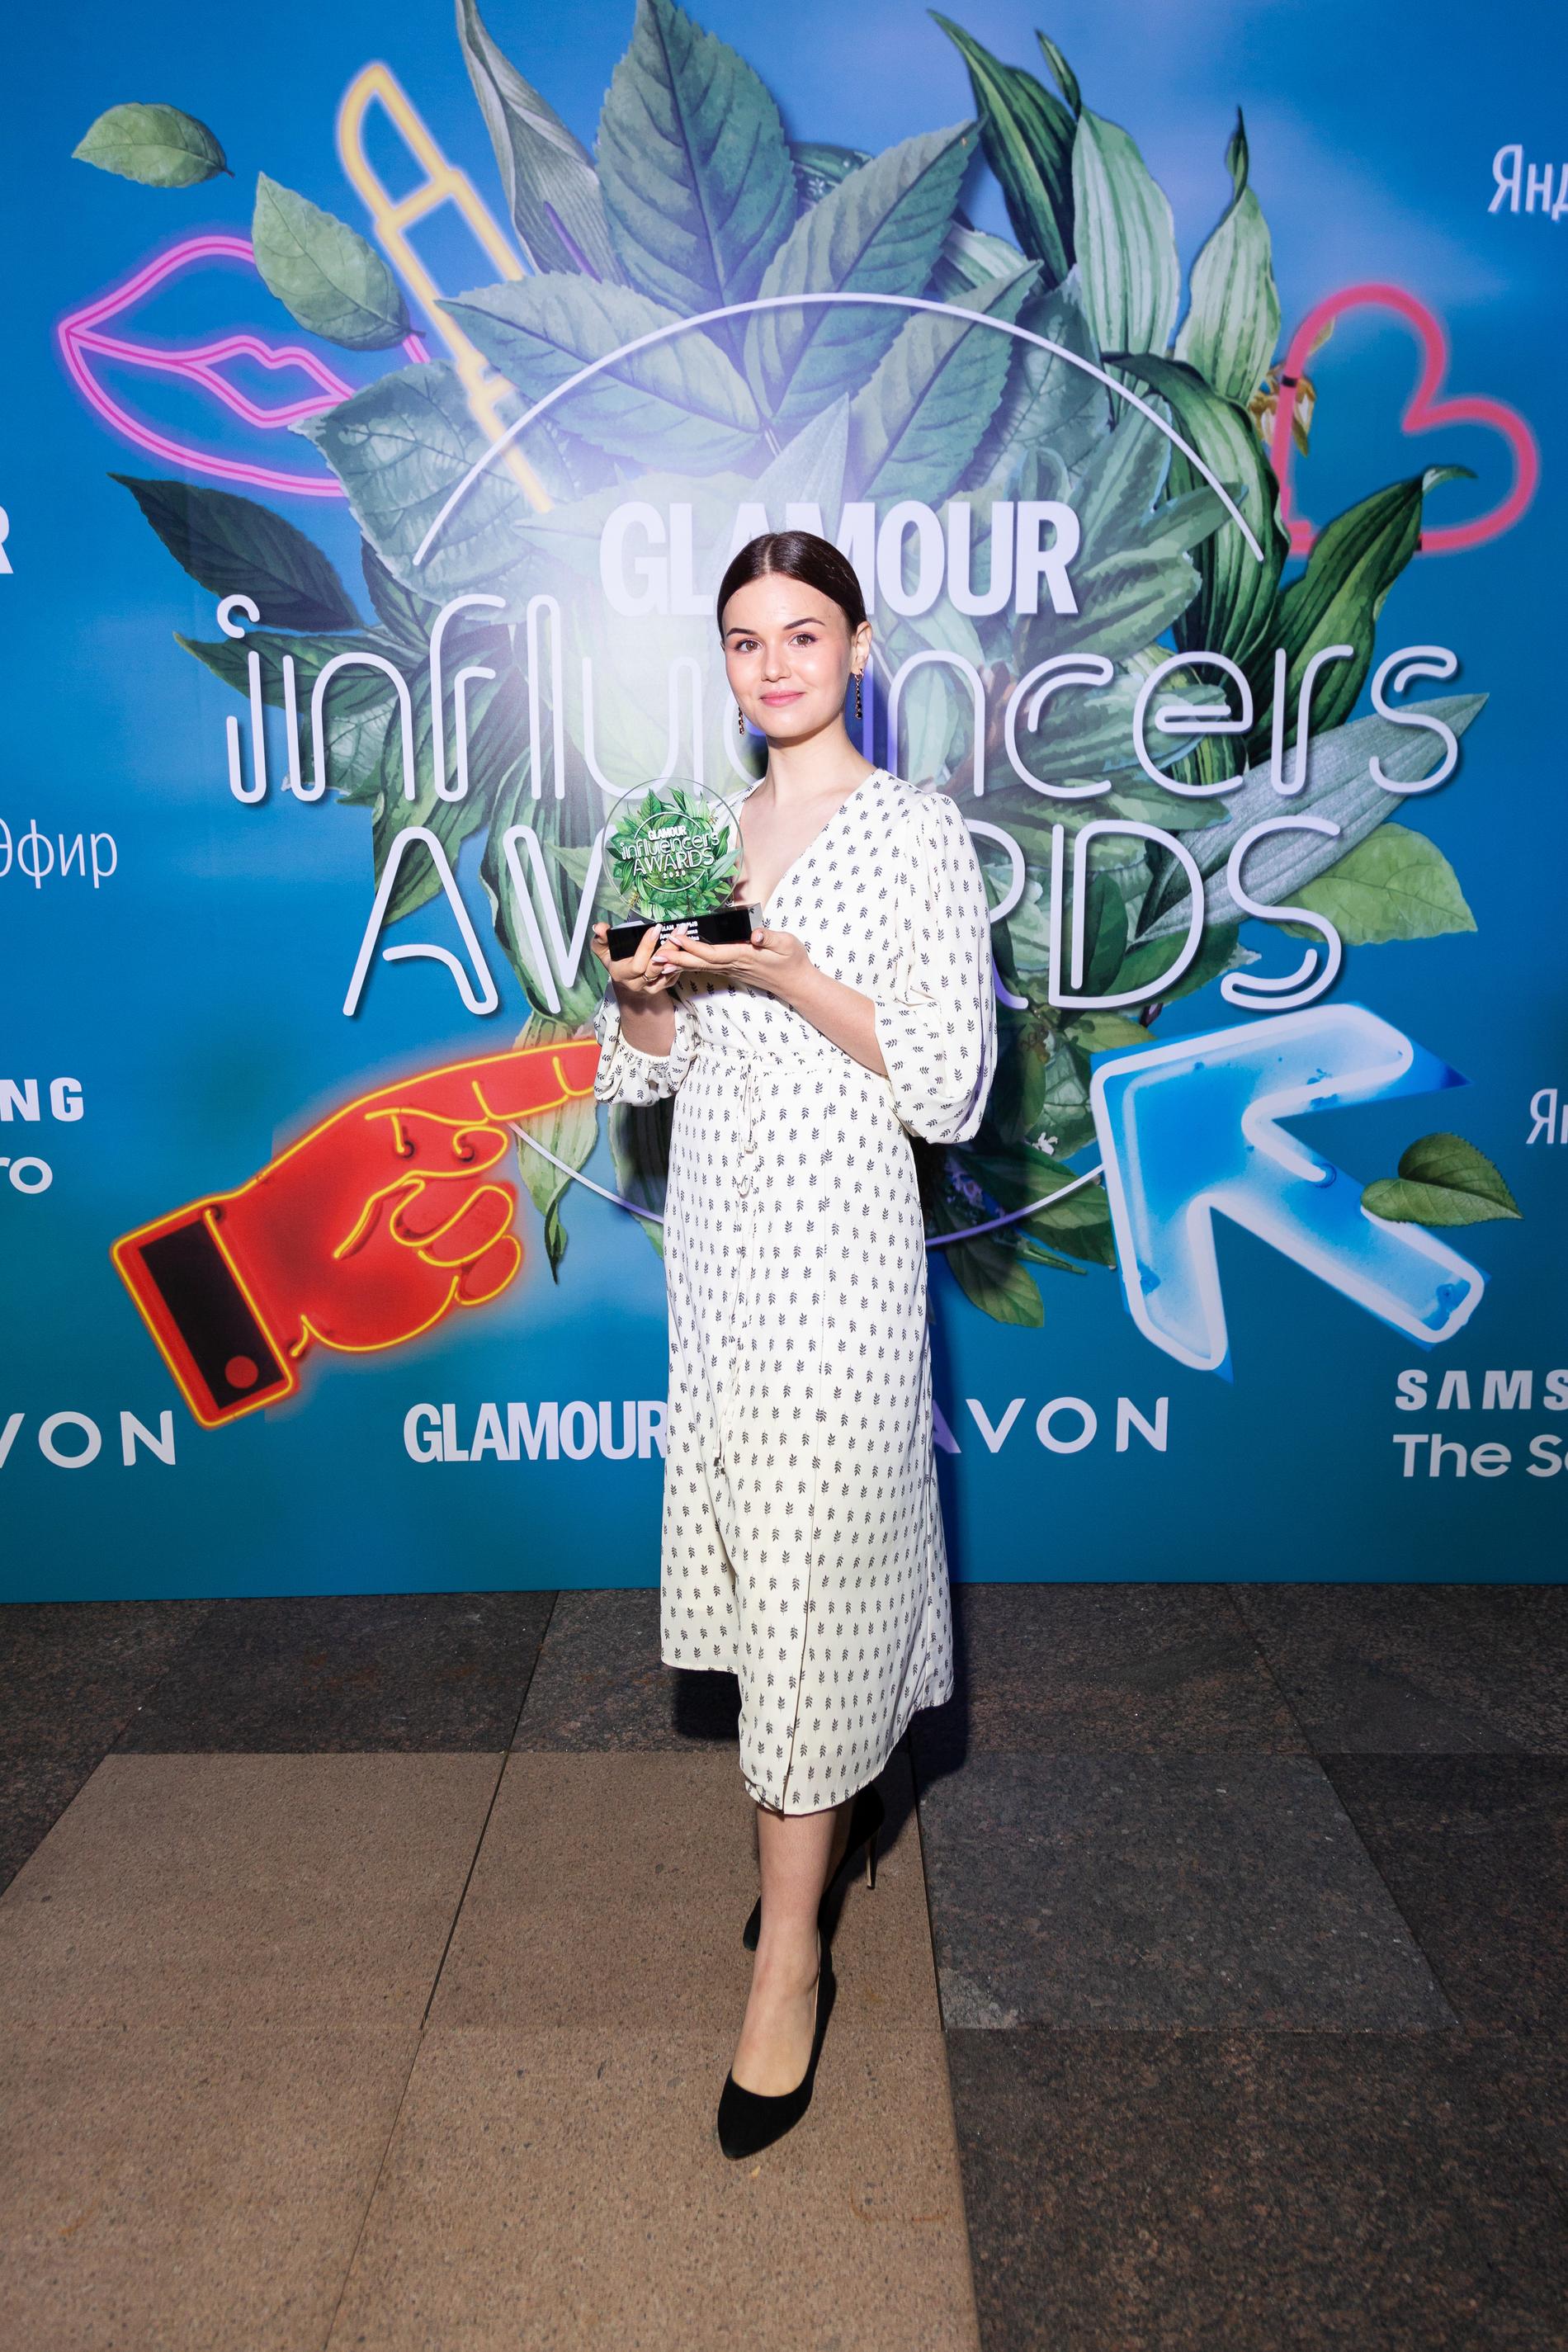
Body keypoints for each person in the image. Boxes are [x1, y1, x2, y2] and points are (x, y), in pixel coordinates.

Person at [589, 529, 997, 2157]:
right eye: (746, 640)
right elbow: (644, 1072)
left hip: (840, 1270)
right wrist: (648, 986)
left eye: (803, 633)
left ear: (858, 646)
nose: (774, 665)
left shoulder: (914, 834)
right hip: (721, 1269)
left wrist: (790, 970)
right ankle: (820, 1837)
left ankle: (791, 1965)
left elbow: (947, 1086)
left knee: (822, 1590)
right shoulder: (697, 830)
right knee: (772, 1586)